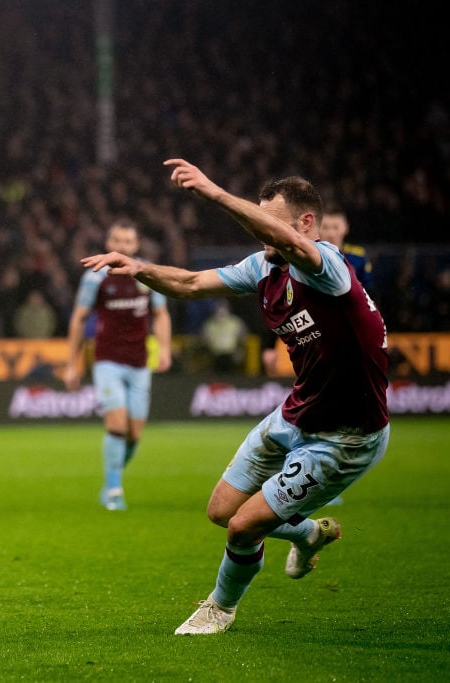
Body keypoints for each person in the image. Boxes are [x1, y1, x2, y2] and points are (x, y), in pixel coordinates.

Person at [81, 159, 390, 635]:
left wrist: (213, 192)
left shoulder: (326, 266)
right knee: (221, 512)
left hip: (346, 435)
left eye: (268, 220)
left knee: (244, 527)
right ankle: (308, 531)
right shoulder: (265, 266)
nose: (258, 231)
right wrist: (139, 268)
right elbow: (189, 284)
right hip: (295, 414)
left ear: (307, 223)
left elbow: (287, 241)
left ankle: (219, 608)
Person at [65, 219, 172, 511]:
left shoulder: (147, 273)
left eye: (127, 242)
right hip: (107, 361)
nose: (121, 246)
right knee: (116, 426)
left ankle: (111, 478)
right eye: (116, 241)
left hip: (139, 363)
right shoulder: (96, 276)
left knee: (134, 434)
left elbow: (160, 314)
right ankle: (114, 490)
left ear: (135, 246)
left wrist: (164, 348)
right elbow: (79, 317)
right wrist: (72, 364)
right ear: (108, 243)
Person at [318, 205, 373, 293]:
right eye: (325, 227)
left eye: (336, 227)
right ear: (318, 228)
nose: (331, 234)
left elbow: (369, 291)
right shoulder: (307, 255)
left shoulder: (358, 257)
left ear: (346, 228)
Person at [200, 299, 248, 373]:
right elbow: (204, 341)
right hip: (215, 355)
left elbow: (243, 338)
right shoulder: (209, 324)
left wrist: (239, 351)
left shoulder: (236, 322)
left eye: (223, 307)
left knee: (233, 360)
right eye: (218, 308)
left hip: (231, 355)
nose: (221, 311)